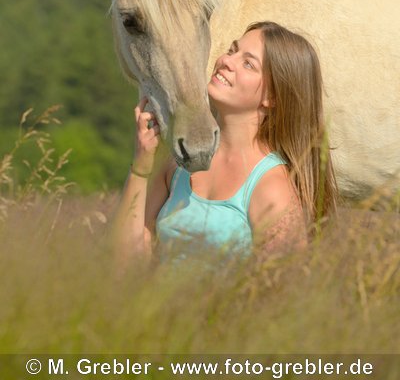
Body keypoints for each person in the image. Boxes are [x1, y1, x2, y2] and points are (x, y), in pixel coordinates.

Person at [112, 21, 338, 267]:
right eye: (232, 50)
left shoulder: (272, 187)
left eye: (248, 63)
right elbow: (125, 262)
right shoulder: (177, 160)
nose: (226, 61)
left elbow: (282, 292)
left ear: (271, 97)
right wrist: (141, 167)